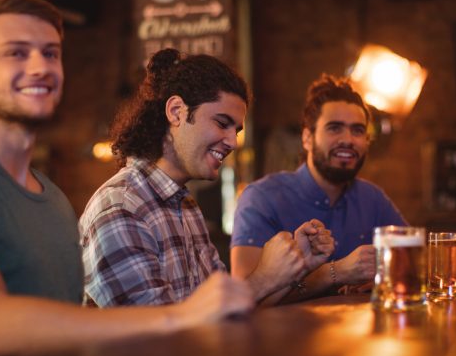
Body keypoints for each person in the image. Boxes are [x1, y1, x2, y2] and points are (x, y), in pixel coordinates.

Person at [0, 0, 254, 356]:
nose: (40, 66)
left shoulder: (54, 200)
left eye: (50, 53)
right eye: (16, 53)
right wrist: (180, 316)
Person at [79, 49, 334, 308]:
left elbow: (224, 311)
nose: (233, 142)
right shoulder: (121, 207)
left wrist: (295, 266)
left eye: (236, 130)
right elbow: (157, 338)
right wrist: (265, 277)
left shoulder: (185, 205)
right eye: (222, 123)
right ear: (177, 111)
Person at [230, 73, 406, 300]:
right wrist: (335, 273)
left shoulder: (372, 198)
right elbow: (244, 297)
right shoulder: (262, 197)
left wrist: (380, 277)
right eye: (334, 128)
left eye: (358, 130)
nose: (348, 139)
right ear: (307, 138)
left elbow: (413, 261)